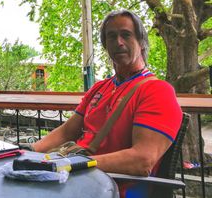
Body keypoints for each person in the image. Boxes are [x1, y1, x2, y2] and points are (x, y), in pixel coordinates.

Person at [29, 10, 183, 198]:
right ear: (105, 45)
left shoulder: (157, 91)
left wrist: (74, 164)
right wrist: (28, 153)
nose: (118, 42)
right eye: (111, 36)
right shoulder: (100, 88)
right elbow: (67, 132)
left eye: (126, 34)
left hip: (113, 189)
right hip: (75, 179)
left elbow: (143, 160)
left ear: (141, 42)